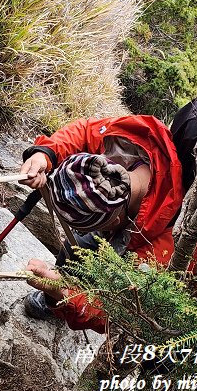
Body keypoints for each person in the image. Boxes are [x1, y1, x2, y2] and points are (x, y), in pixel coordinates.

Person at [19, 115, 185, 332]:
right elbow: (87, 132)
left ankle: (60, 300)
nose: (78, 230)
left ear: (115, 221)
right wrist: (47, 153)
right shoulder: (134, 141)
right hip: (133, 219)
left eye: (86, 225)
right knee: (75, 246)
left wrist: (65, 293)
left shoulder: (165, 251)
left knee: (88, 252)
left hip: (148, 239)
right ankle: (56, 297)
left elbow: (127, 313)